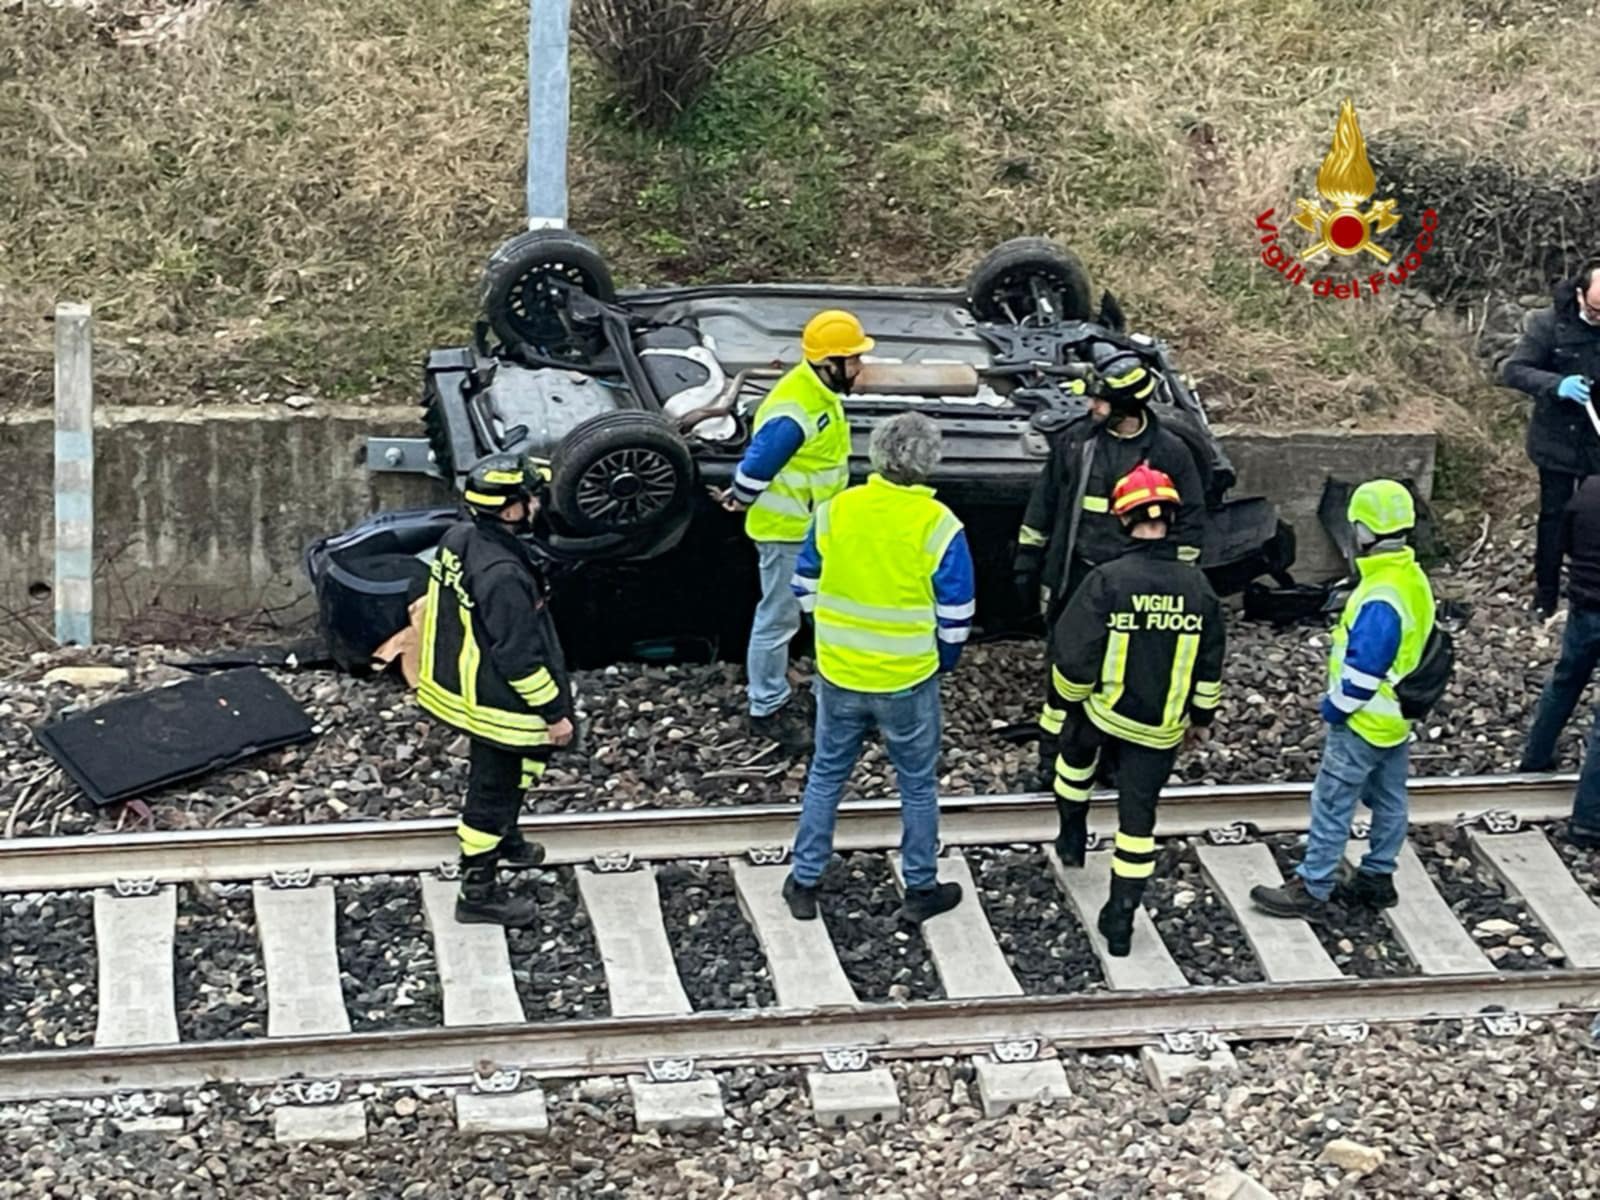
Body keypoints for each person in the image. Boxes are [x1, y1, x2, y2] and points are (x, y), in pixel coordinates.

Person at [781, 412, 976, 926]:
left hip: (840, 672)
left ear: (877, 455)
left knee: (825, 774)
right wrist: (942, 661)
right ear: (929, 463)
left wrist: (830, 631)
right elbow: (956, 615)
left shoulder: (836, 510)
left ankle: (805, 881)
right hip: (907, 678)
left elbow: (804, 584)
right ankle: (920, 887)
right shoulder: (939, 526)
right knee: (916, 784)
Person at [1046, 463, 1225, 957]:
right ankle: (1120, 920)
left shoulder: (1108, 580)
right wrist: (1201, 720)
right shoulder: (1199, 589)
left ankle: (1071, 835)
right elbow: (1210, 666)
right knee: (1138, 826)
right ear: (1169, 519)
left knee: (1072, 763)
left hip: (1102, 712)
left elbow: (1074, 653)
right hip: (1161, 729)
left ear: (1123, 521)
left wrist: (1064, 705)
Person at [1014, 350, 1206, 784]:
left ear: (1127, 406)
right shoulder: (1077, 442)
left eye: (1100, 401)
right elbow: (1045, 501)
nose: (1091, 406)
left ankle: (1115, 763)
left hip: (1134, 582)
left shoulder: (1169, 453)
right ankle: (1054, 763)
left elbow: (1192, 520)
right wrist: (1029, 557)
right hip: (1078, 575)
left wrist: (1178, 577)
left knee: (1128, 674)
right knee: (1066, 668)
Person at [1250, 480, 1436, 920]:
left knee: (1333, 801)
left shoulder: (1379, 595)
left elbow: (1363, 670)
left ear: (1363, 531)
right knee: (1390, 799)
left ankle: (1313, 887)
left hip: (1364, 720)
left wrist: (1335, 707)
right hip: (1398, 718)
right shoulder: (1412, 579)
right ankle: (1376, 878)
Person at [416, 453, 575, 928]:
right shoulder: (502, 574)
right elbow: (519, 656)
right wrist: (553, 713)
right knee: (492, 790)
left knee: (509, 777)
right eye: (531, 496)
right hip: (497, 702)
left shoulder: (461, 537)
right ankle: (478, 891)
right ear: (509, 511)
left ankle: (506, 836)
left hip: (465, 685)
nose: (536, 502)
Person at [710, 310, 868, 754]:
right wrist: (739, 497)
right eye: (854, 359)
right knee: (779, 618)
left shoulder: (816, 392)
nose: (861, 369)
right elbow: (757, 466)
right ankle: (766, 705)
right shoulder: (797, 409)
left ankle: (822, 693)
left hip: (813, 528)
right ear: (829, 363)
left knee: (815, 613)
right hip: (788, 531)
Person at [1499, 255, 1600, 619]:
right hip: (1557, 440)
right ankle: (1546, 594)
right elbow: (1513, 370)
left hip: (1597, 442)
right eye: (1596, 310)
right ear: (1579, 295)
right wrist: (1556, 385)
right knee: (1554, 518)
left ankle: (1589, 592)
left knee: (1594, 517)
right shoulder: (1546, 324)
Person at [1517, 476, 1600, 848]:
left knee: (1566, 681)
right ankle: (1589, 821)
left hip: (1583, 604)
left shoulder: (1587, 492)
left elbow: (1559, 541)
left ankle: (1535, 759)